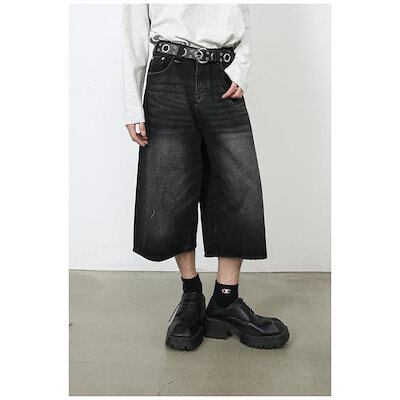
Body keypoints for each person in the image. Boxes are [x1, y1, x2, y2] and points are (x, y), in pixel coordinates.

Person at [122, 4, 289, 350]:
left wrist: (241, 69)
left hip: (222, 75)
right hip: (168, 73)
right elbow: (133, 32)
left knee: (238, 189)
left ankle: (226, 300)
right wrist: (131, 105)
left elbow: (243, 17)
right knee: (170, 189)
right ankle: (191, 295)